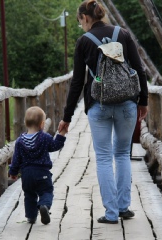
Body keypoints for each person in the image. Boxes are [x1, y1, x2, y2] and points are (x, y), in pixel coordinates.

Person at [58, 0, 148, 224]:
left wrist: (67, 118)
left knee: (105, 157)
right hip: (127, 103)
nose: (81, 26)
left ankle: (110, 214)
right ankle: (123, 207)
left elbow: (77, 83)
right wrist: (143, 101)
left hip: (98, 105)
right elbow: (140, 70)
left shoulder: (83, 42)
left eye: (80, 21)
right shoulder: (123, 34)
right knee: (122, 154)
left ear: (85, 18)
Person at [9, 106, 67, 225]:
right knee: (46, 191)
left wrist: (13, 172)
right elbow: (55, 146)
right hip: (42, 173)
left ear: (26, 123)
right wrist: (62, 133)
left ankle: (31, 217)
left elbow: (16, 159)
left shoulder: (20, 141)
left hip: (26, 175)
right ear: (42, 124)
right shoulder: (44, 137)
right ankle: (44, 205)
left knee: (29, 195)